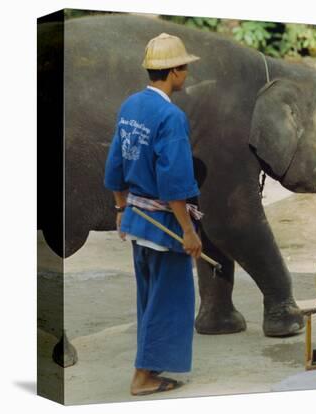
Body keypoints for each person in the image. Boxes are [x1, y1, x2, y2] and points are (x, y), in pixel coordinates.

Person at [104, 33, 202, 396]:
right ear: (174, 72)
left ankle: (150, 368)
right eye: (184, 68)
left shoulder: (131, 106)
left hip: (136, 220)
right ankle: (143, 377)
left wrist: (119, 208)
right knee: (169, 302)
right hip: (164, 228)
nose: (186, 75)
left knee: (149, 299)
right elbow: (175, 181)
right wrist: (188, 231)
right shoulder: (171, 117)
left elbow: (116, 162)